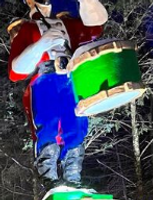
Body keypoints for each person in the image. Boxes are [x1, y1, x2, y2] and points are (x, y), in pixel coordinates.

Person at [8, 0, 108, 186]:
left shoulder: (68, 25)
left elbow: (95, 27)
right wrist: (39, 46)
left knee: (76, 125)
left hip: (72, 79)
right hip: (45, 80)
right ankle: (49, 179)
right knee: (48, 124)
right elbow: (15, 72)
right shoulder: (28, 29)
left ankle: (73, 178)